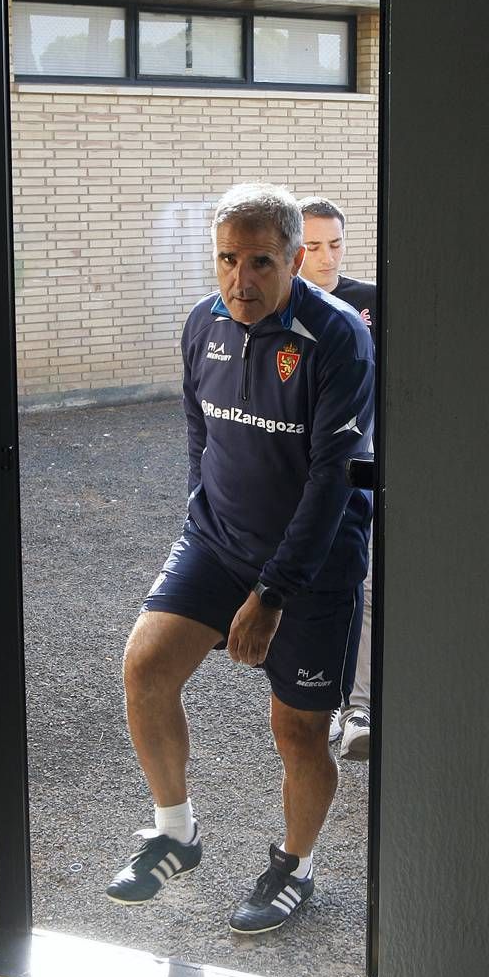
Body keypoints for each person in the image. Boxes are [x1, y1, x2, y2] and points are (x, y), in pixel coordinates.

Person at [106, 182, 374, 934]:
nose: (239, 279)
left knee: (296, 729)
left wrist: (273, 594)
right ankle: (175, 833)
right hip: (218, 541)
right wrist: (202, 518)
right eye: (227, 259)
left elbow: (332, 479)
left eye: (259, 262)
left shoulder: (341, 337)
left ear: (293, 259)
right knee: (146, 665)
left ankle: (296, 865)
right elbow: (200, 432)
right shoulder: (203, 324)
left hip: (313, 566)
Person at [298, 197, 377, 760]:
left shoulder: (370, 302)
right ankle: (317, 703)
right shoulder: (280, 309)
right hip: (302, 477)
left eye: (336, 244)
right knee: (314, 589)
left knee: (364, 585)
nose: (326, 258)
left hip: (365, 463)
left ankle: (359, 706)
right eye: (314, 246)